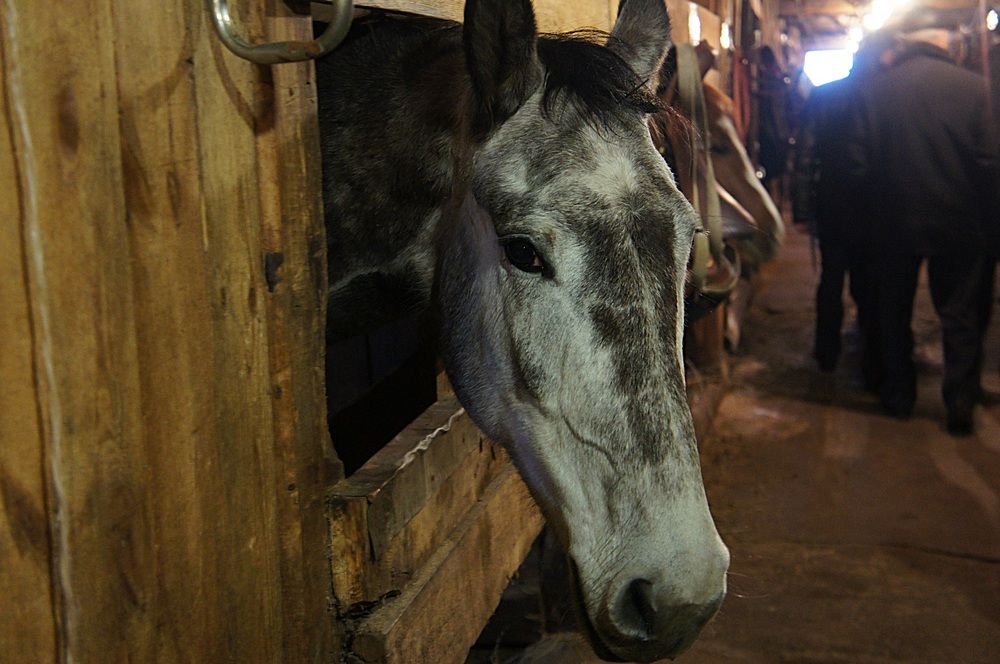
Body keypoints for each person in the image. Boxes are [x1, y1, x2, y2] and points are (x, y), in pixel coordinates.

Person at [845, 14, 999, 435]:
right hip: (959, 221)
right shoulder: (972, 88)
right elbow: (988, 163)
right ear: (945, 41)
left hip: (893, 223)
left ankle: (899, 396)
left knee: (894, 312)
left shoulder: (875, 89)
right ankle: (960, 406)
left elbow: (857, 165)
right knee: (960, 317)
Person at [793, 34, 898, 382]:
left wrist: (803, 209)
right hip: (875, 209)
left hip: (832, 204)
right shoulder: (884, 97)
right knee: (870, 283)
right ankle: (869, 360)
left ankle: (826, 352)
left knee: (831, 280)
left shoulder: (825, 94)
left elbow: (805, 156)